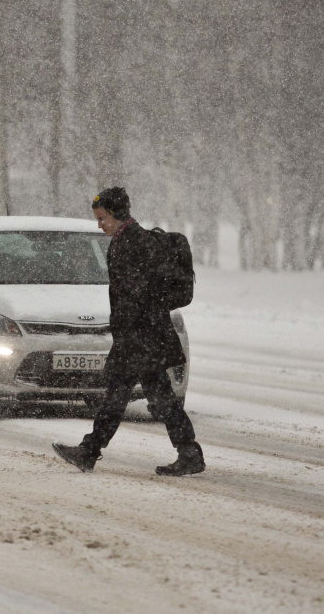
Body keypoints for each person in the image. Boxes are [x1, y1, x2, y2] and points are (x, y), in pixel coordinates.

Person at [52, 186, 205, 476]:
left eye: (102, 218)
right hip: (143, 336)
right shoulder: (132, 240)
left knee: (117, 397)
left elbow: (137, 295)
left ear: (117, 214)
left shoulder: (132, 244)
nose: (100, 225)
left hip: (139, 337)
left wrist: (128, 334)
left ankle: (90, 451)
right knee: (156, 398)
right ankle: (188, 453)